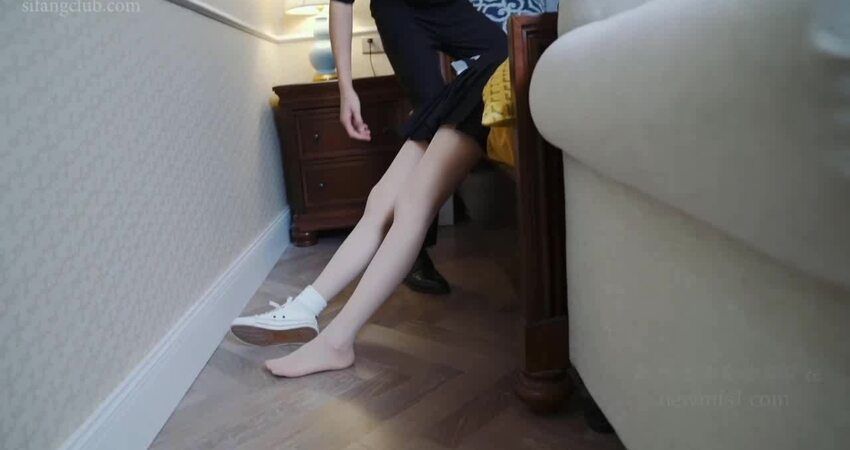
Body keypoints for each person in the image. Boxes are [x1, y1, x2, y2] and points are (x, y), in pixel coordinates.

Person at [230, 0, 507, 377]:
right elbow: (342, 3)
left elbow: (501, 47)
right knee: (381, 199)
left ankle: (336, 343)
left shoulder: (507, 46)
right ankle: (307, 307)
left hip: (488, 81)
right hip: (471, 83)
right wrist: (346, 89)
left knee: (412, 204)